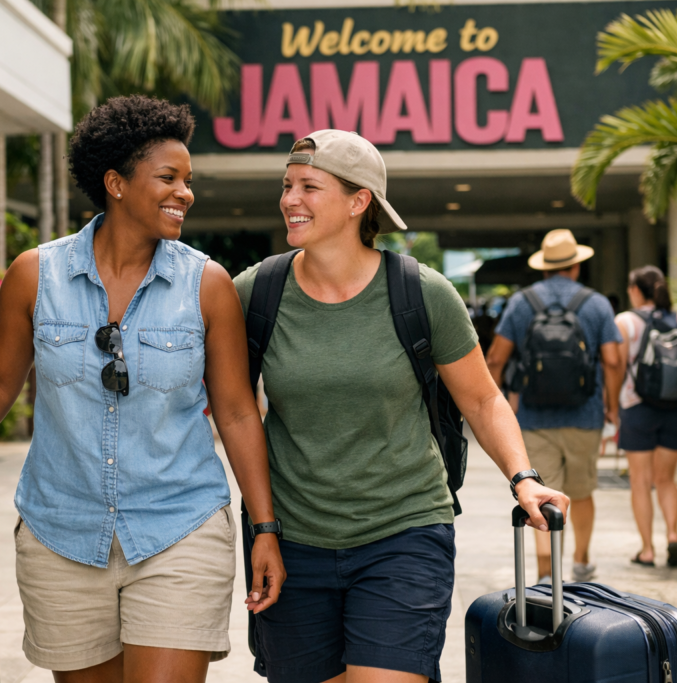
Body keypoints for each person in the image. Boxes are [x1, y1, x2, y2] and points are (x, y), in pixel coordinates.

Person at [0, 95, 285, 683]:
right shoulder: (35, 274)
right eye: (169, 178)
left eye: (189, 180)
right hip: (61, 532)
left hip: (179, 525)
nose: (187, 192)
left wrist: (265, 529)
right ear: (115, 183)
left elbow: (234, 412)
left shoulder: (207, 285)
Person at [233, 130, 569, 683]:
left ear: (358, 201)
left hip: (403, 532)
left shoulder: (422, 293)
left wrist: (523, 477)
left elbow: (483, 399)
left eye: (310, 187)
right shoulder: (258, 292)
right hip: (294, 543)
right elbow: (230, 405)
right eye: (287, 185)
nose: (290, 199)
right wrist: (263, 526)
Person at [485, 229, 624, 584]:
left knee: (541, 494)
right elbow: (611, 359)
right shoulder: (595, 304)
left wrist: (495, 403)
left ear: (545, 268)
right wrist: (611, 405)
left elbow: (496, 358)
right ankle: (581, 560)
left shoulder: (522, 303)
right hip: (585, 414)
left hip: (534, 417)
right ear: (576, 267)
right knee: (582, 490)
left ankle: (547, 571)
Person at [616, 265, 677, 568]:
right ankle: (673, 537)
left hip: (637, 407)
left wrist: (612, 405)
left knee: (640, 481)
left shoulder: (625, 321)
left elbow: (616, 365)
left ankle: (647, 550)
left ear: (636, 290)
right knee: (666, 479)